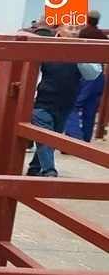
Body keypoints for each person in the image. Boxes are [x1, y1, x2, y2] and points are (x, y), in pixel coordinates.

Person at [27, 23, 104, 178]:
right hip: (42, 102)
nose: (74, 32)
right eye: (70, 28)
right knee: (45, 135)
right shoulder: (45, 47)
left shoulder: (83, 49)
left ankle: (34, 167)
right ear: (60, 29)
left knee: (52, 138)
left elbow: (92, 75)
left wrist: (78, 56)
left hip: (66, 103)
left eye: (77, 29)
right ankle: (50, 171)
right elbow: (32, 73)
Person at [65, 12, 107, 143]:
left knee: (72, 105)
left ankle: (75, 138)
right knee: (90, 107)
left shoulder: (82, 34)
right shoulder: (102, 36)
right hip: (99, 74)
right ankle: (86, 139)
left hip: (85, 73)